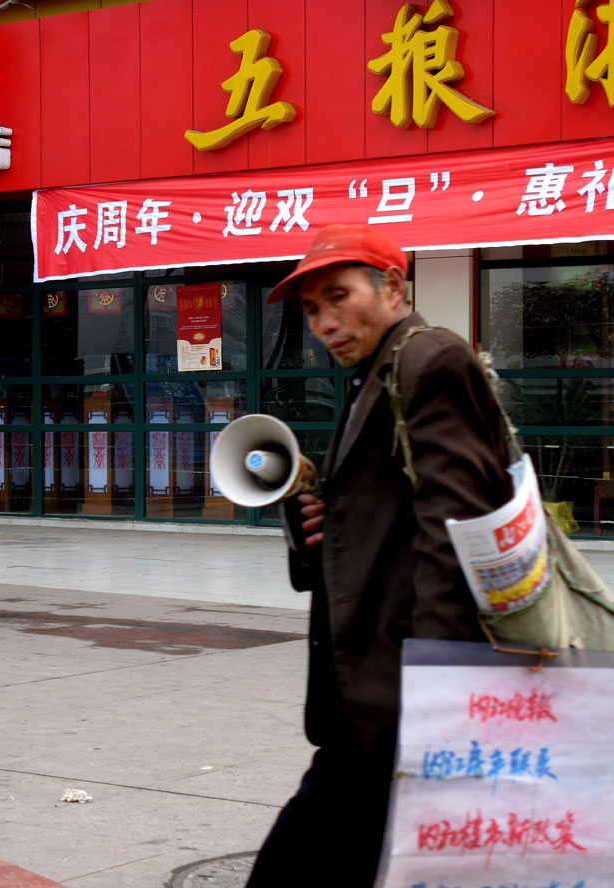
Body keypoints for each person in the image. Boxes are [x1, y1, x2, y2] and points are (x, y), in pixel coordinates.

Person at [245, 224, 512, 888]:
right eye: (311, 311)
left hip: (401, 700)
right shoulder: (378, 373)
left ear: (393, 286)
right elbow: (395, 509)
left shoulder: (429, 360)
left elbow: (457, 530)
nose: (324, 322)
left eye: (338, 297)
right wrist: (324, 515)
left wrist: (436, 705)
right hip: (373, 700)